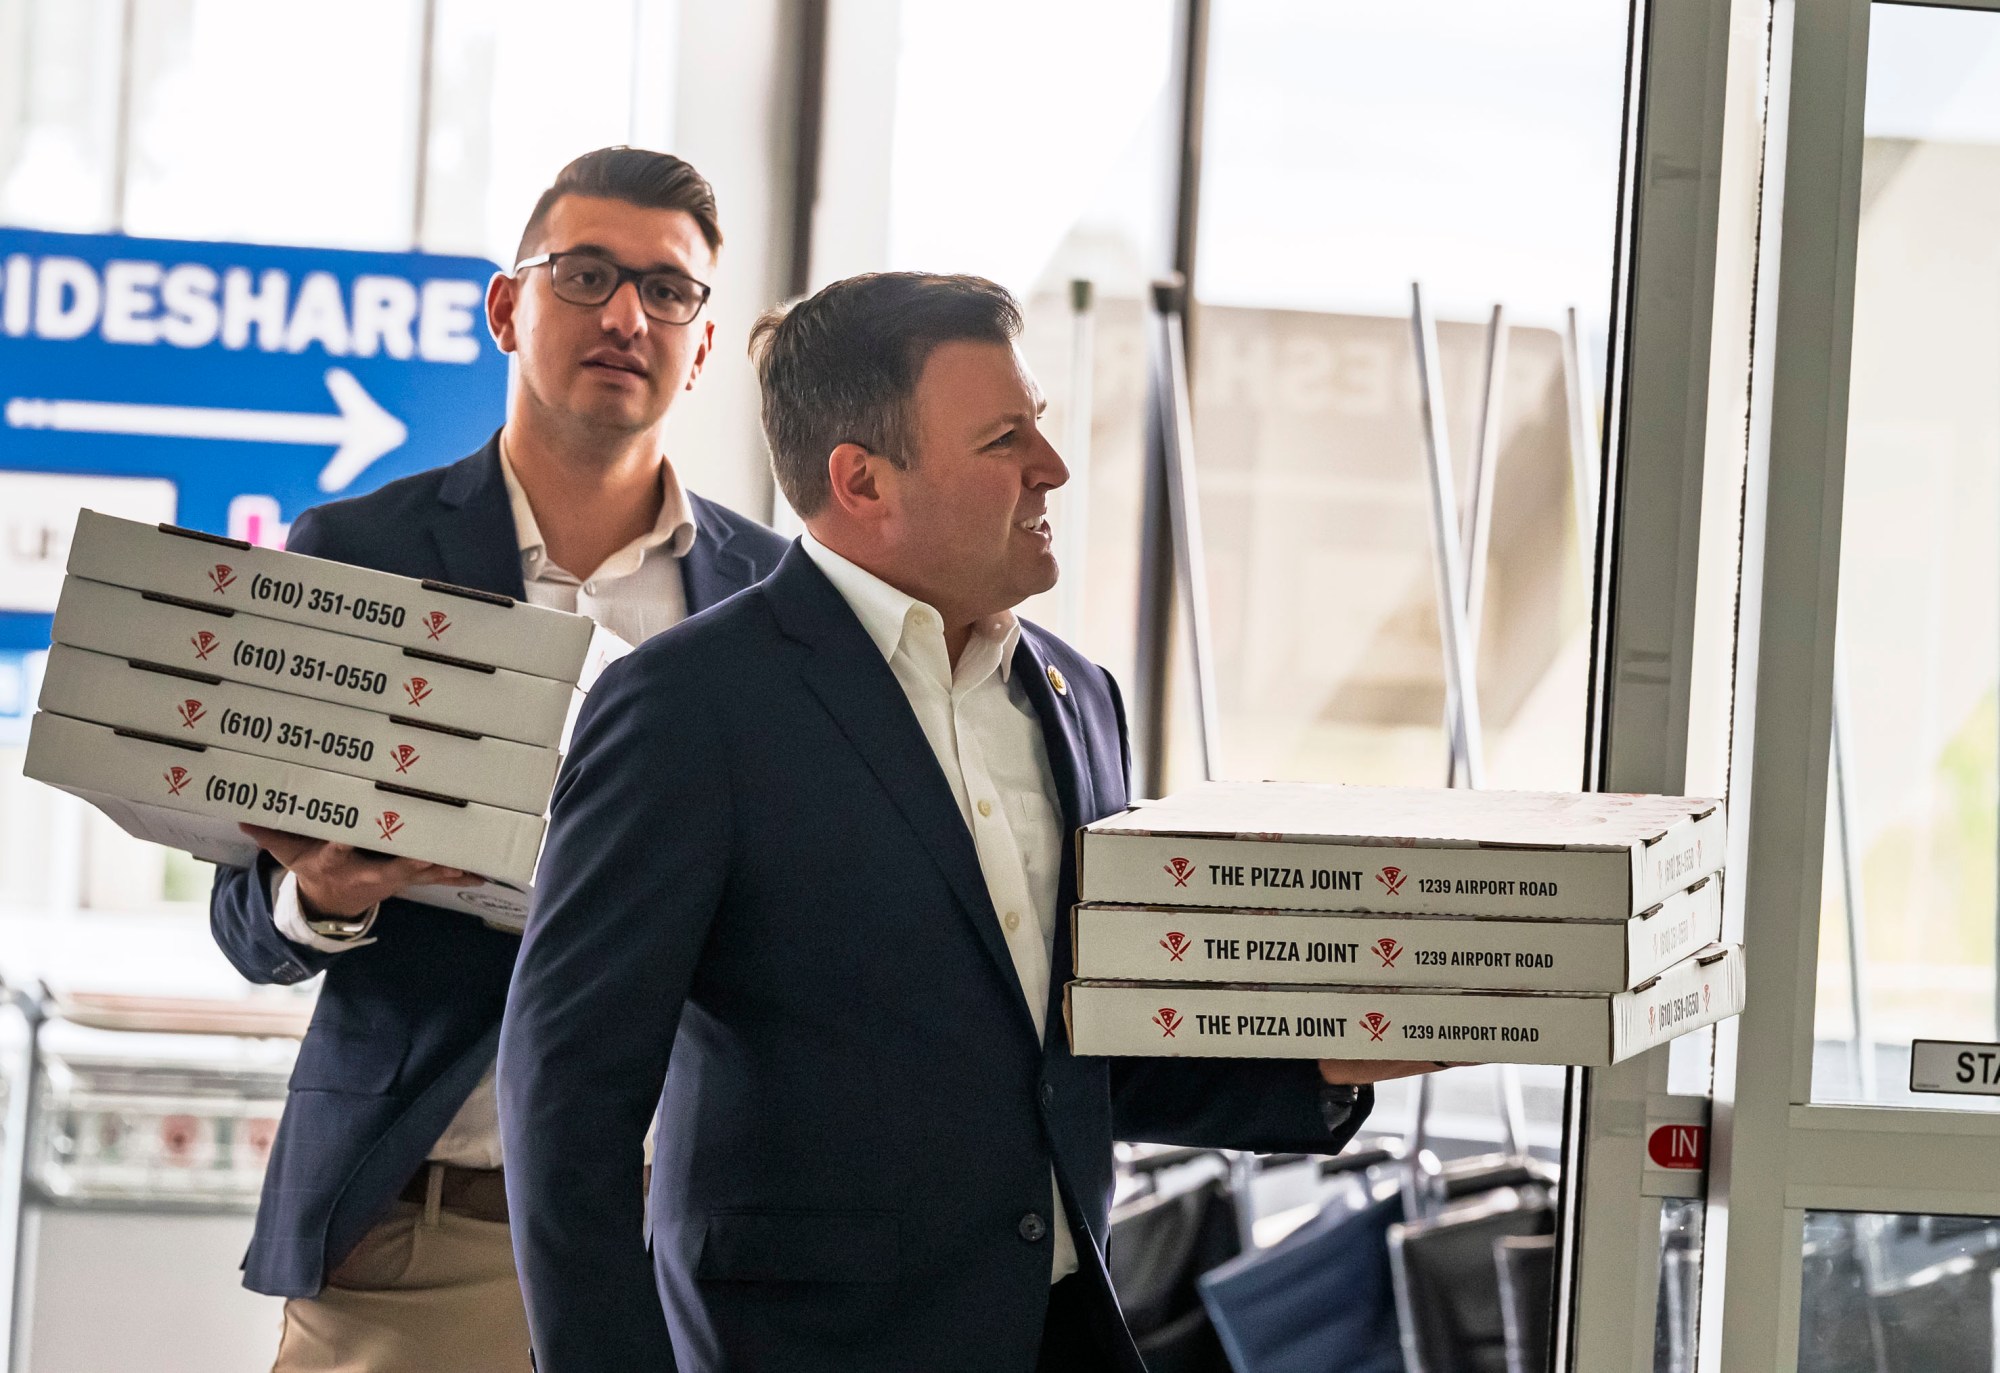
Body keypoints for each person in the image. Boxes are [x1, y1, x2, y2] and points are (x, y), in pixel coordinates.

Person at [498, 271, 1441, 1371]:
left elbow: (1068, 1051)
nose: (1054, 466)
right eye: (1005, 439)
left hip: (1059, 1328)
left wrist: (1322, 1061)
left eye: (1037, 423)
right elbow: (566, 1095)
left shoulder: (1078, 697)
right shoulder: (688, 707)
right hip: (809, 1346)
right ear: (861, 480)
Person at [206, 147, 788, 1372]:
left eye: (666, 290)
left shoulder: (771, 596)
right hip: (425, 1238)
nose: (626, 315)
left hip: (693, 1248)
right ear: (507, 306)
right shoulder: (355, 550)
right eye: (586, 274)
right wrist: (320, 894)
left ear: (699, 344)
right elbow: (244, 920)